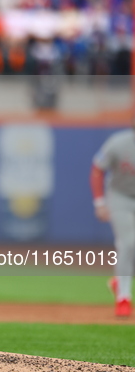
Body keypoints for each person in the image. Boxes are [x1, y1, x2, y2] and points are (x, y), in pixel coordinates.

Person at [90, 116, 135, 317]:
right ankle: (123, 298)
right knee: (128, 243)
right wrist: (100, 203)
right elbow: (98, 169)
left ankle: (119, 281)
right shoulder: (119, 143)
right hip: (120, 197)